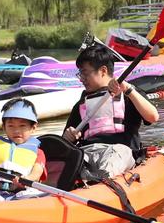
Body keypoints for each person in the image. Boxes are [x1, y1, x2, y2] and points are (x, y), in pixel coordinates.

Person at [63, 44, 159, 179]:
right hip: (88, 153)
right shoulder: (80, 105)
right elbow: (66, 145)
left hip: (120, 152)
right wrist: (68, 138)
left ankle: (103, 182)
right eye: (80, 74)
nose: (81, 79)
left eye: (85, 73)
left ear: (103, 70)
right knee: (73, 161)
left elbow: (153, 117)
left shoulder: (128, 94)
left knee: (113, 156)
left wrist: (128, 90)